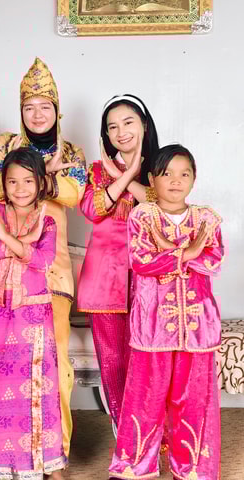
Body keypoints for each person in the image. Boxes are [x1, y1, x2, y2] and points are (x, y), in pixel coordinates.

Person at [0, 58, 87, 457]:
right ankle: (14, 456)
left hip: (50, 271)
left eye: (45, 106)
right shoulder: (5, 144)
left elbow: (75, 194)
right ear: (20, 110)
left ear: (57, 110)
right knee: (9, 368)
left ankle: (55, 453)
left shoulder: (71, 151)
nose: (37, 114)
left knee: (55, 366)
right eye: (29, 107)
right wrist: (44, 174)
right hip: (4, 275)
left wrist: (35, 176)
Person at [109, 144, 223, 480]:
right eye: (167, 173)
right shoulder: (142, 217)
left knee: (195, 400)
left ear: (194, 179)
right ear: (151, 180)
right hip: (152, 324)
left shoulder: (207, 219)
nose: (176, 180)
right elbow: (141, 262)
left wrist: (172, 254)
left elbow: (213, 261)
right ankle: (134, 467)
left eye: (184, 174)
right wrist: (188, 253)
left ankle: (192, 469)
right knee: (146, 398)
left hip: (198, 326)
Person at [0, 147, 67, 480]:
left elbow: (43, 260)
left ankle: (48, 464)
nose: (20, 188)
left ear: (41, 182)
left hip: (33, 313)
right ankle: (3, 465)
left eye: (28, 180)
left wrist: (6, 239)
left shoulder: (47, 219)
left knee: (39, 387)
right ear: (4, 183)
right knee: (0, 388)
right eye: (12, 181)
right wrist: (23, 243)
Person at [77, 94, 159, 430]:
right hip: (103, 280)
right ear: (106, 135)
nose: (121, 132)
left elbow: (165, 209)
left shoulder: (162, 167)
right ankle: (125, 434)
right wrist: (119, 176)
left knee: (148, 360)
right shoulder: (98, 171)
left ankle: (150, 432)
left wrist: (131, 175)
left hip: (150, 280)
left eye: (128, 122)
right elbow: (92, 210)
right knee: (113, 362)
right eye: (112, 127)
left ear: (144, 125)